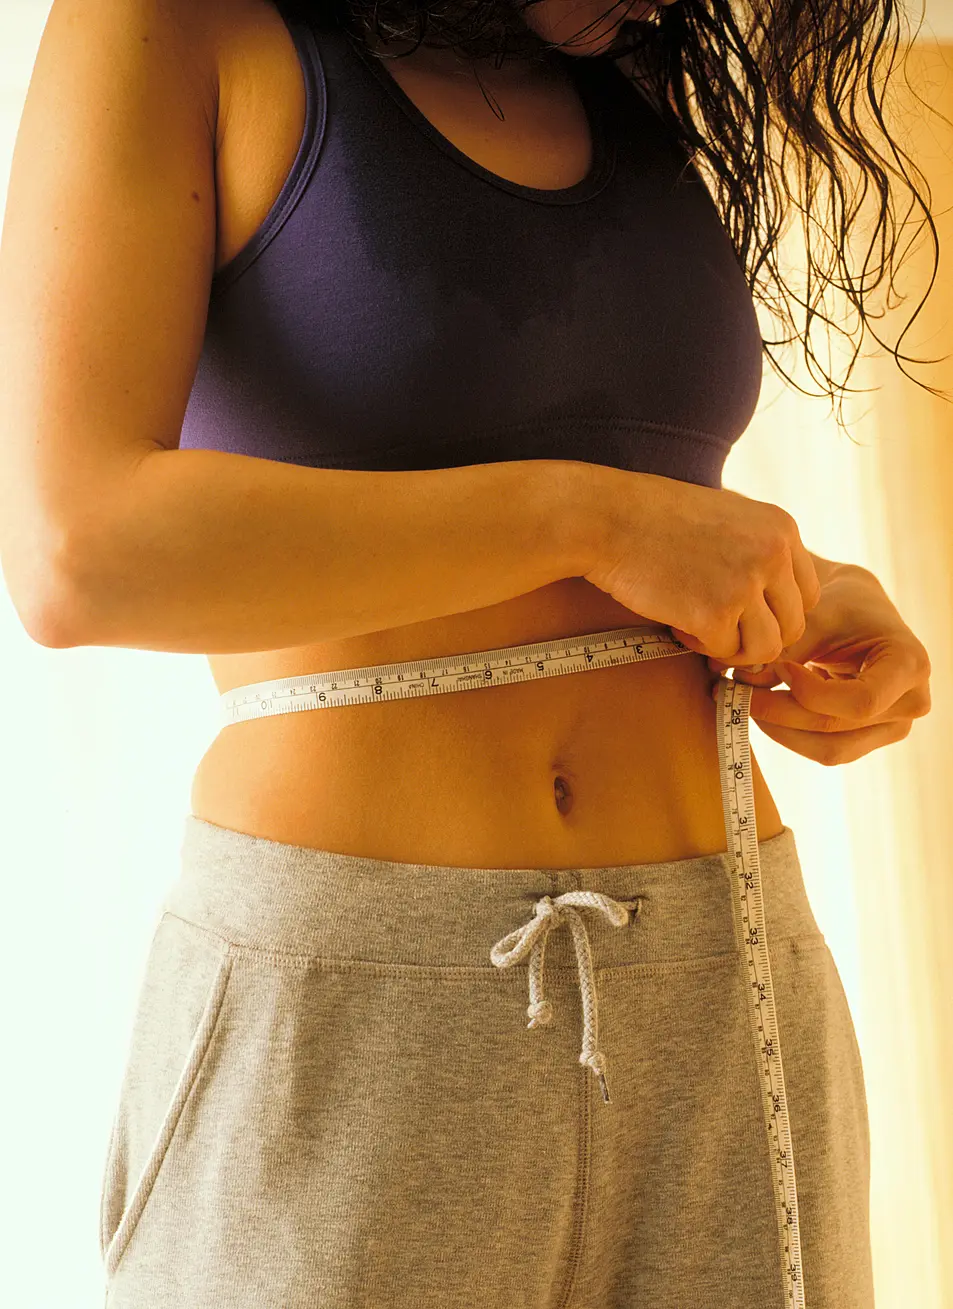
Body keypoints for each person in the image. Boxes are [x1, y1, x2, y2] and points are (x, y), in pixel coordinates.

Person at [4, 0, 935, 1302]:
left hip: (725, 978)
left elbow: (624, 522)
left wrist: (802, 589)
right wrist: (588, 515)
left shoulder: (626, 78)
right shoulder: (171, 25)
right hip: (359, 997)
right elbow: (77, 549)